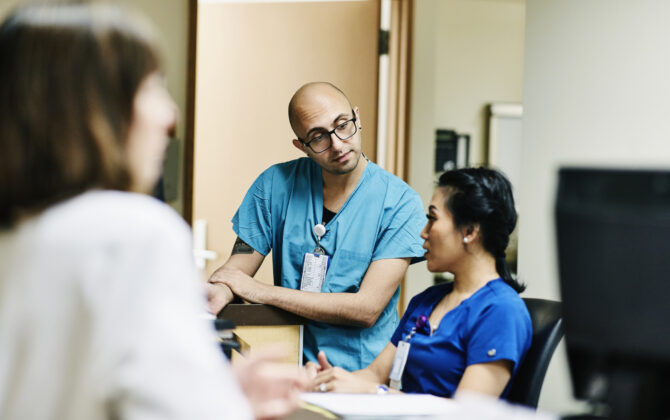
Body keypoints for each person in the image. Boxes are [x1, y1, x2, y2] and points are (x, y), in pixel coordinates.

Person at [0, 3, 306, 419]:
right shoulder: (132, 233)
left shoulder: (20, 233)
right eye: (151, 88)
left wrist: (206, 393)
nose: (170, 115)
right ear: (94, 108)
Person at [206, 82, 427, 371]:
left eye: (342, 125)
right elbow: (237, 270)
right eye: (318, 137)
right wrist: (220, 290)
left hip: (361, 376)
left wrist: (260, 291)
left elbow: (366, 309)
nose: (337, 144)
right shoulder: (274, 186)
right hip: (290, 368)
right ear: (301, 146)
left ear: (357, 118)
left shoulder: (400, 203)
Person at [310, 167, 532, 399]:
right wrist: (323, 380)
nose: (423, 233)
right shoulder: (427, 300)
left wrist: (375, 392)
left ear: (469, 230)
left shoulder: (501, 311)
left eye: (432, 219)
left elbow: (465, 413)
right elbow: (374, 374)